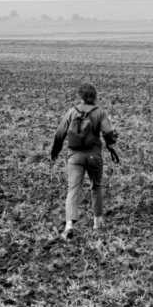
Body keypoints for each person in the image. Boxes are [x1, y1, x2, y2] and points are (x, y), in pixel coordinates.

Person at [51, 83, 118, 240]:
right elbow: (109, 134)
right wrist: (111, 140)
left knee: (73, 189)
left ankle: (69, 226)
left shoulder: (72, 112)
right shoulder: (100, 113)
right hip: (94, 156)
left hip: (74, 157)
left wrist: (55, 150)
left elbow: (59, 133)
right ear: (95, 96)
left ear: (80, 96)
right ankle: (97, 223)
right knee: (96, 187)